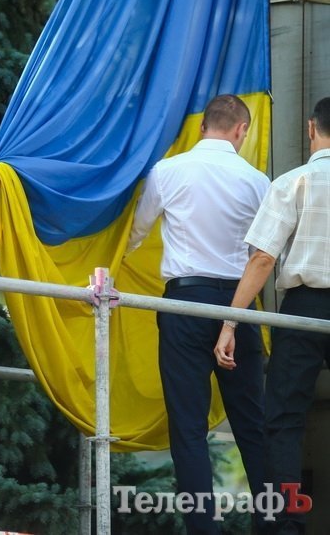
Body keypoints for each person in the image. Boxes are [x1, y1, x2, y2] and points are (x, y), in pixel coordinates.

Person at [126, 94, 269, 534]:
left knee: (187, 427)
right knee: (252, 423)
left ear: (203, 127)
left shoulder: (167, 172)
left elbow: (135, 233)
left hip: (184, 303)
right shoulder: (257, 180)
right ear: (241, 130)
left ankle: (201, 528)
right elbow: (263, 249)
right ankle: (274, 525)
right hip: (238, 305)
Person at [215, 96, 330, 534]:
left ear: (310, 128)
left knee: (283, 419)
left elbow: (262, 259)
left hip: (303, 307)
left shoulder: (292, 182)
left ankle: (288, 526)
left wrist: (230, 322)